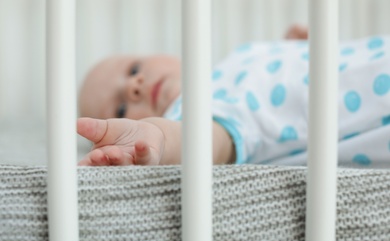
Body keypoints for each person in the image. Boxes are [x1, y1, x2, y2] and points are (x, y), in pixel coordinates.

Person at [77, 25, 390, 167]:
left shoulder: (233, 62)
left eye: (134, 68)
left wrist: (292, 49)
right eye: (120, 108)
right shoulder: (192, 113)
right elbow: (207, 140)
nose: (135, 85)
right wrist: (157, 135)